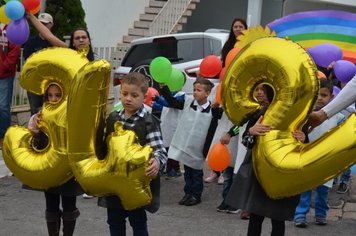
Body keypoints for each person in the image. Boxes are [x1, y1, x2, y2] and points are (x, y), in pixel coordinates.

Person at [226, 84, 306, 236]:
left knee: (278, 217)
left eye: (264, 90)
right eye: (258, 90)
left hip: (282, 171)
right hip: (260, 170)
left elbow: (303, 143)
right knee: (256, 214)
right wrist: (251, 131)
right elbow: (245, 138)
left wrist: (303, 138)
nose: (260, 93)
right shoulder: (259, 113)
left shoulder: (294, 115)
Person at [97, 72, 167, 236]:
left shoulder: (148, 122)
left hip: (136, 186)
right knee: (114, 223)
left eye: (134, 95)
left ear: (144, 96)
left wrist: (157, 162)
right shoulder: (113, 118)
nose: (128, 98)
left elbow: (159, 150)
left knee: (138, 224)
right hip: (114, 184)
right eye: (124, 93)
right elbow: (103, 147)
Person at [28, 83, 82, 236]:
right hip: (49, 168)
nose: (53, 99)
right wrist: (35, 132)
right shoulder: (40, 114)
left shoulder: (73, 113)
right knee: (51, 205)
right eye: (49, 95)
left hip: (68, 170)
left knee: (69, 205)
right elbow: (35, 144)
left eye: (58, 95)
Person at [160, 78, 222, 206]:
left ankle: (196, 195)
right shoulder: (188, 102)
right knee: (188, 171)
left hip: (199, 147)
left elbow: (217, 119)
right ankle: (188, 193)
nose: (195, 93)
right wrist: (163, 88)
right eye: (194, 90)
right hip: (186, 144)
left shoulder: (213, 109)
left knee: (197, 172)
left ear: (207, 93)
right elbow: (173, 102)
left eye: (199, 90)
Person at [294, 79, 345, 228]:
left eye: (324, 95)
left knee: (323, 190)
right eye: (317, 95)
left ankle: (321, 214)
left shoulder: (338, 117)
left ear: (331, 97)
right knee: (304, 189)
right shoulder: (304, 116)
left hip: (326, 160)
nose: (320, 98)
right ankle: (300, 215)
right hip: (307, 158)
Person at [204, 18, 247, 184]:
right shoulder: (227, 45)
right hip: (226, 86)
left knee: (231, 136)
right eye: (235, 26)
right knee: (217, 134)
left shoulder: (249, 45)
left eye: (240, 26)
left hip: (238, 91)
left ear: (245, 28)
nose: (237, 29)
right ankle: (216, 170)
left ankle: (225, 171)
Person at [23, 13, 55, 116]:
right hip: (34, 82)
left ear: (51, 24)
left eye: (45, 24)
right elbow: (28, 61)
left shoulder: (55, 42)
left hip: (52, 82)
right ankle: (36, 132)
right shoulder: (31, 41)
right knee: (35, 111)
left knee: (52, 109)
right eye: (40, 23)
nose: (42, 26)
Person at [0, 25, 21, 149]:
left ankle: (3, 137)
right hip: (4, 72)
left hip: (5, 75)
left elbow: (14, 53)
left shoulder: (12, 29)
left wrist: (2, 69)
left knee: (3, 106)